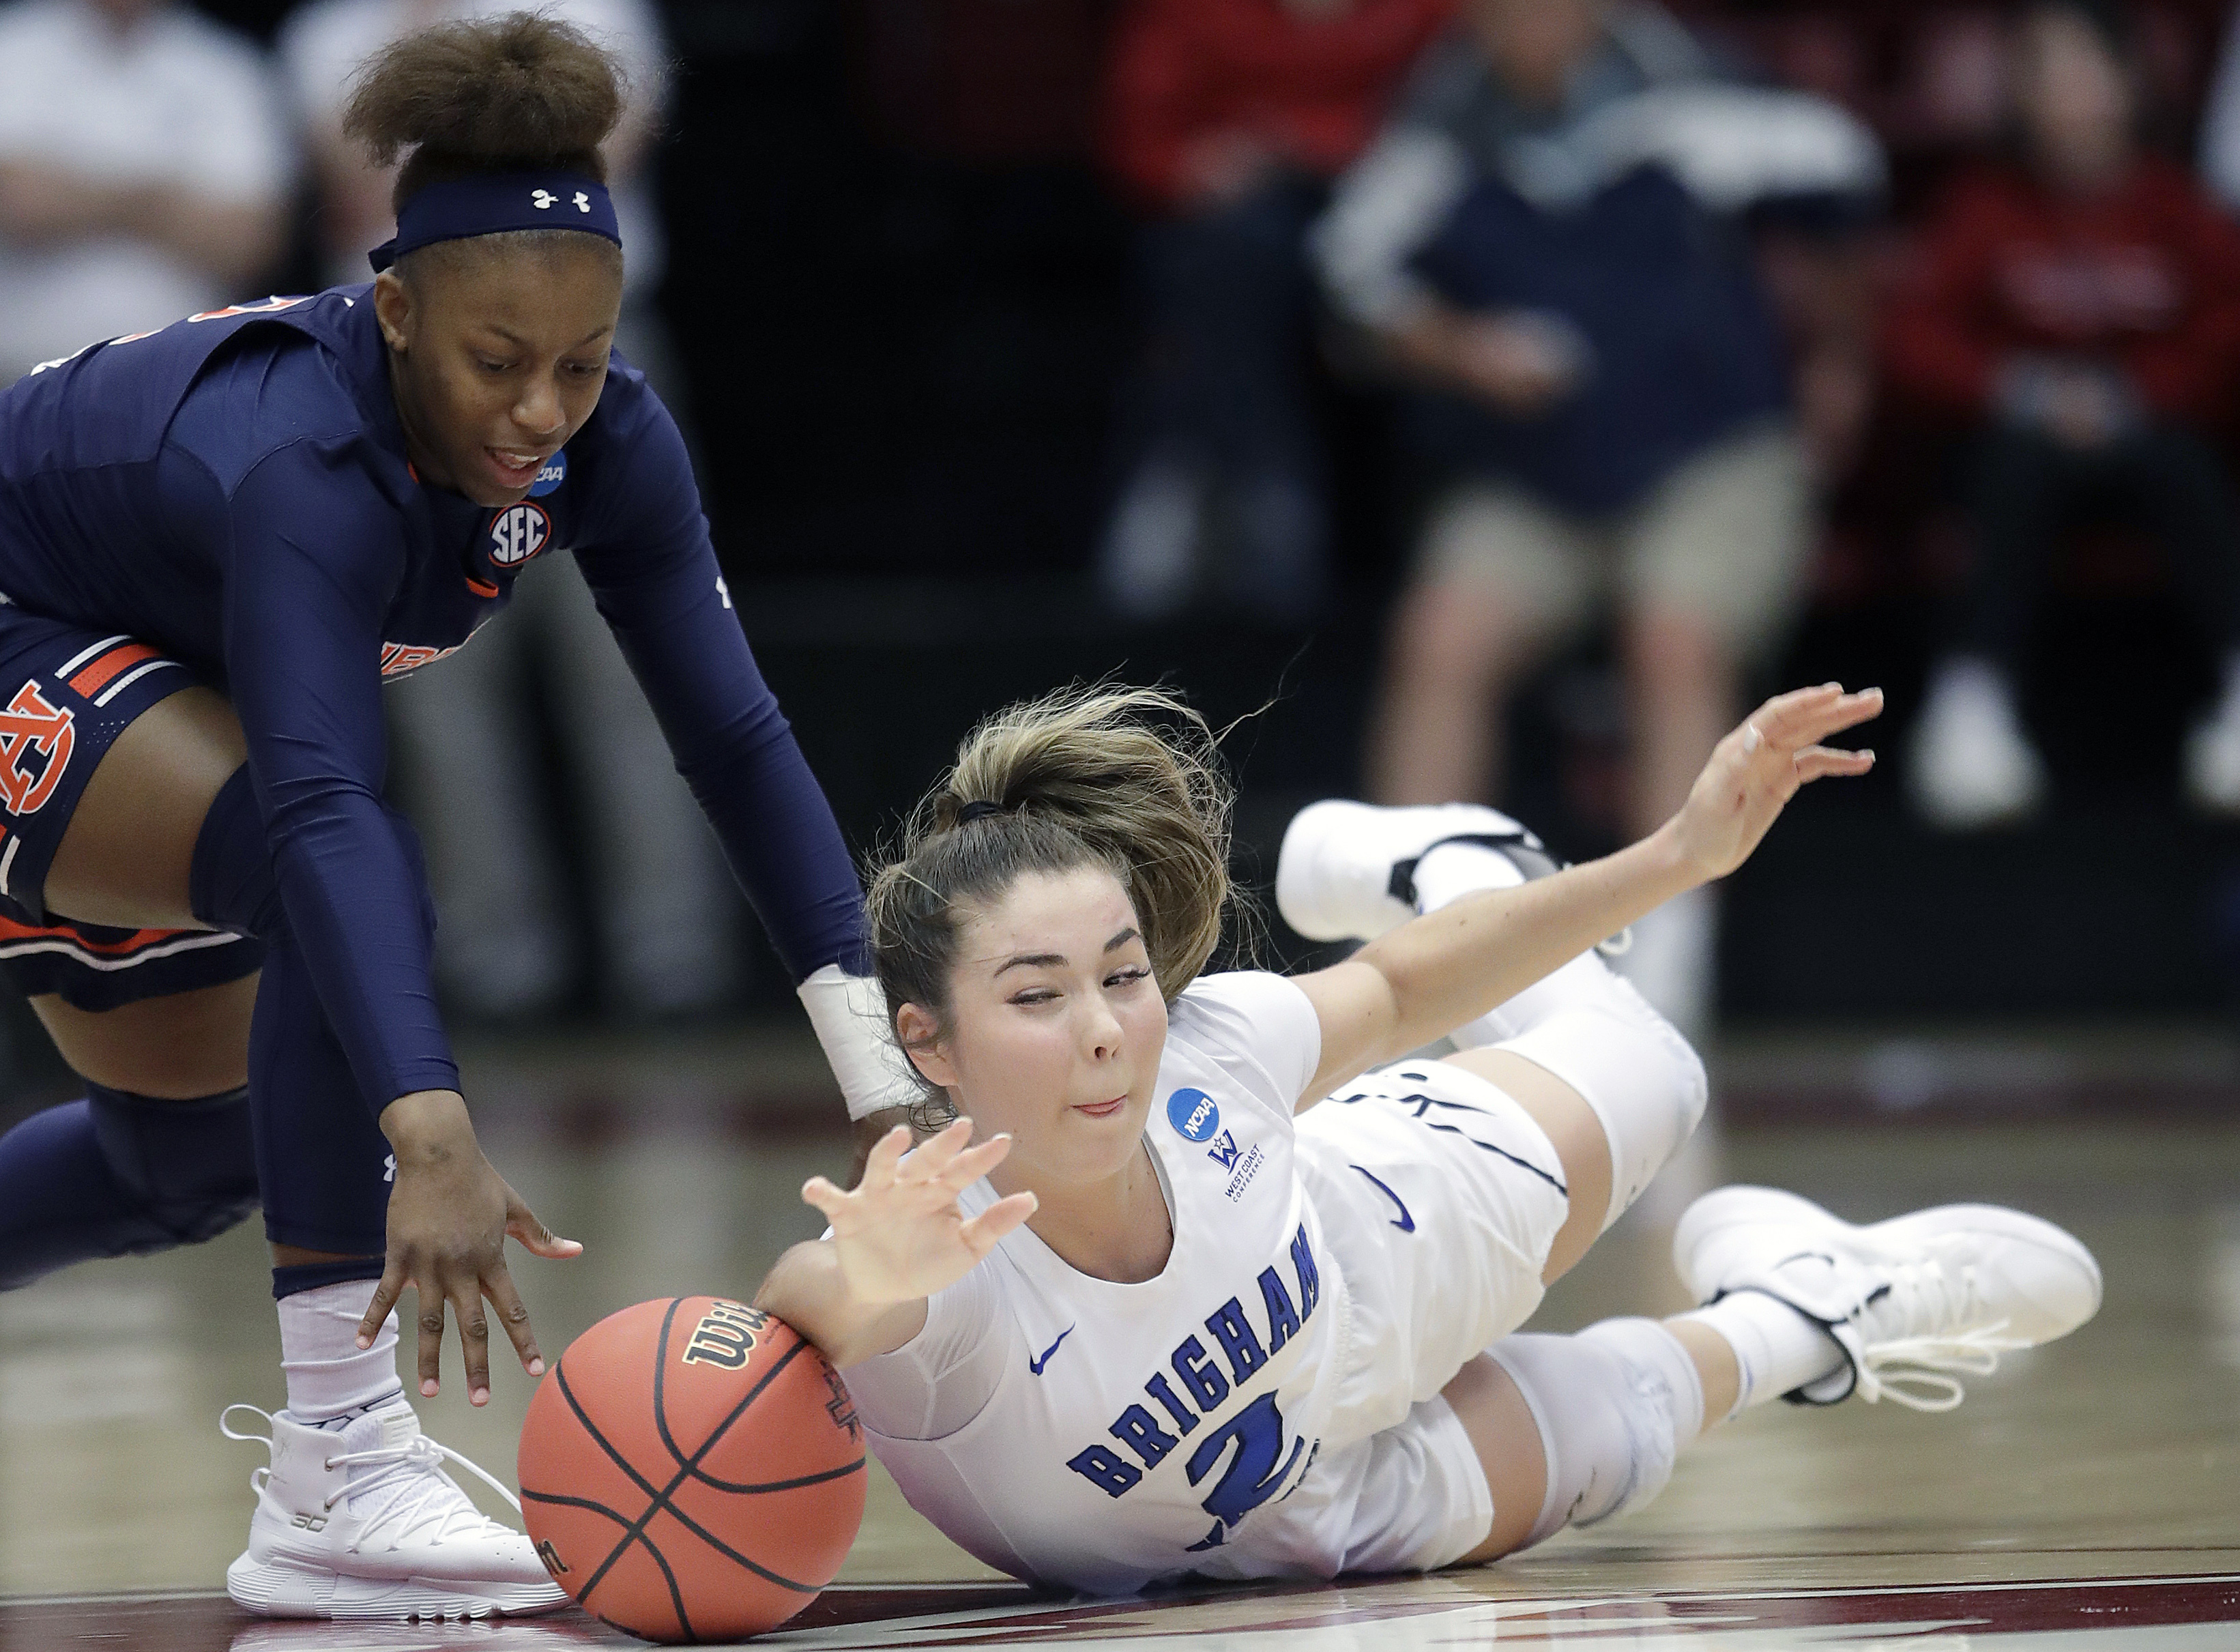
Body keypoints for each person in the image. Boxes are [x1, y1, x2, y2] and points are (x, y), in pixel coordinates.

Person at [0, 12, 914, 1621]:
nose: (541, 411)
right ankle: (339, 1463)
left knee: (186, 1159)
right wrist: (431, 1131)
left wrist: (880, 1080)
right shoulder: (299, 452)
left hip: (138, 678)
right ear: (397, 306)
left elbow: (735, 734)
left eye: (581, 358)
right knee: (333, 877)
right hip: (22, 625)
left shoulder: (613, 438)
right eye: (497, 363)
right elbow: (323, 800)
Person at [755, 680, 2100, 1589]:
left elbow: (1402, 987)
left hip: (1373, 1256)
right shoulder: (942, 1268)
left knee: (1653, 1071)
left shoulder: (1207, 1056)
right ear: (923, 1040)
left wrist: (1679, 854)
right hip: (1286, 1523)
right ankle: (1823, 1307)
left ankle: (1436, 859)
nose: (1107, 1026)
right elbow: (807, 1308)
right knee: (1614, 1431)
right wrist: (865, 1269)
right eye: (1038, 996)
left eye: (1122, 972)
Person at [1309, 0, 1880, 1034]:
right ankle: (1395, 971)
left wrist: (1838, 362)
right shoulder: (1443, 116)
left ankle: (1663, 967)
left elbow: (1843, 176)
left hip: (1711, 457)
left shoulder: (1688, 85)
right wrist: (1459, 349)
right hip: (1539, 475)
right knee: (1442, 636)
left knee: (1671, 636)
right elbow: (1349, 280)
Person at [279, 0, 734, 1021]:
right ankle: (494, 962)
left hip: (592, 362)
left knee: (631, 656)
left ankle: (673, 957)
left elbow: (593, 168)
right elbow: (360, 198)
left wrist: (453, 180)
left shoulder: (590, 8)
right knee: (436, 671)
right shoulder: (334, 29)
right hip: (401, 379)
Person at [1893, 0, 2240, 830]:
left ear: (2129, 83)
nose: (2069, 95)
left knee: (2188, 470)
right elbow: (1915, 335)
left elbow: (2226, 328)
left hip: (2153, 430)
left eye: (2086, 69)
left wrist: (2139, 395)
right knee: (2009, 467)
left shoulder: (2175, 203)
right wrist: (2017, 389)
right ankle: (1970, 707)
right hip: (2021, 436)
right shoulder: (1984, 204)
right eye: (2045, 73)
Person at [1096, 0, 1454, 624]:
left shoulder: (1428, 11)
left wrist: (1312, 144)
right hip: (1254, 222)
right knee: (1227, 256)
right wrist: (1195, 166)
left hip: (1407, 206)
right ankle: (1250, 490)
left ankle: (1447, 519)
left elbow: (1477, 102)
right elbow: (1141, 138)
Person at [0, 0, 291, 386]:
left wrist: (74, 194)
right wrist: (161, 205)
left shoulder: (227, 67)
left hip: (177, 384)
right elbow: (18, 203)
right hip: (17, 375)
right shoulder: (14, 44)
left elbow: (247, 243)